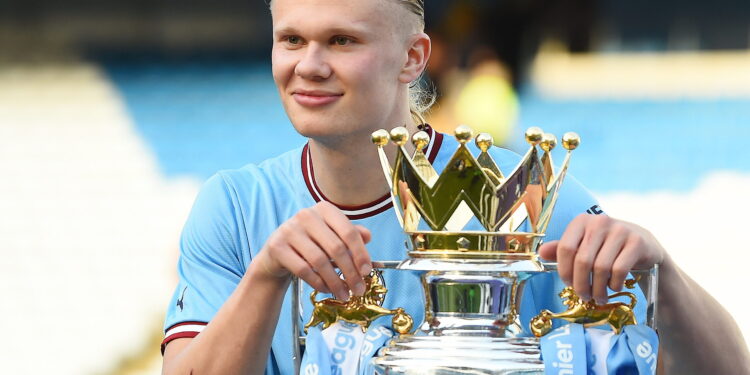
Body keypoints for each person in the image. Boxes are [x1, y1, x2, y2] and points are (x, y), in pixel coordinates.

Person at [160, 0, 750, 374]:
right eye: (291, 39)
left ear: (413, 57)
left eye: (343, 41)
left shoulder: (524, 197)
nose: (309, 65)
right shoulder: (234, 207)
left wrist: (662, 276)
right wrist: (267, 275)